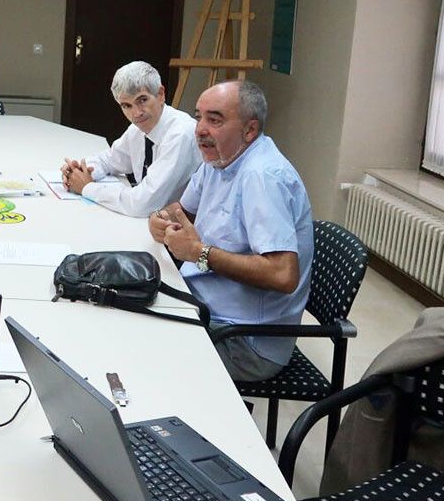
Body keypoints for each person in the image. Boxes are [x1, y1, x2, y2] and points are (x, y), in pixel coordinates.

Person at [149, 80, 313, 382]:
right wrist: (158, 218)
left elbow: (282, 274)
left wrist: (200, 254)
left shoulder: (262, 177)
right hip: (206, 307)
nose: (200, 129)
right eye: (198, 116)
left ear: (249, 130)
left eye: (215, 120)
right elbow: (181, 212)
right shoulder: (219, 158)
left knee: (141, 357)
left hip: (246, 340)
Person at [60, 61, 201, 217]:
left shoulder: (180, 134)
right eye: (126, 105)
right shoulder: (138, 128)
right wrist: (80, 171)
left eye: (142, 100)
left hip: (177, 228)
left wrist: (87, 187)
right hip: (152, 223)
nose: (136, 113)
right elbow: (110, 160)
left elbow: (143, 204)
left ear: (160, 94)